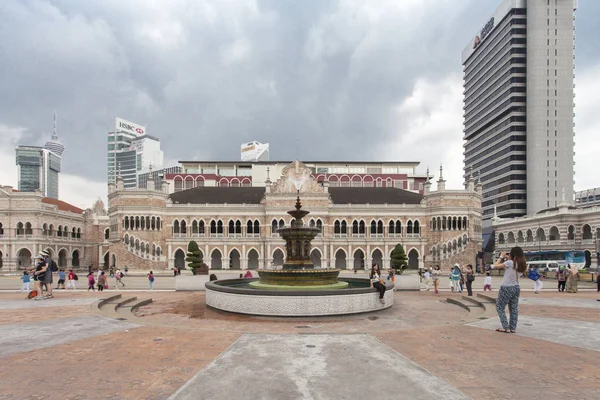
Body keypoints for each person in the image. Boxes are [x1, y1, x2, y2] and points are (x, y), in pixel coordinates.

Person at [494, 246, 527, 333]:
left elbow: (495, 266)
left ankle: (505, 327)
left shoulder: (509, 262)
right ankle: (512, 327)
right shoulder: (522, 264)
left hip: (506, 287)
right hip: (516, 287)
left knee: (499, 307)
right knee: (513, 308)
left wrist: (501, 257)